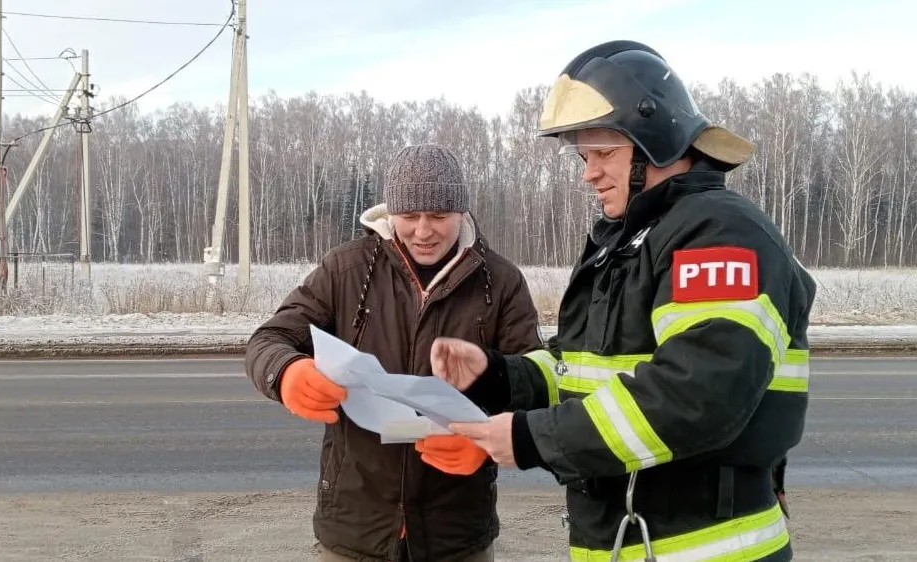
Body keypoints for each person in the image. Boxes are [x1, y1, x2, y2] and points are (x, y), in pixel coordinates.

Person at [424, 40, 817, 562]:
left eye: (604, 153)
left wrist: (530, 438)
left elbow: (695, 394)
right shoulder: (631, 239)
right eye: (584, 156)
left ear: (656, 143)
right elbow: (584, 369)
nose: (589, 172)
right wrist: (498, 375)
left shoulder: (719, 234)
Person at [244, 143, 543, 562]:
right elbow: (269, 339)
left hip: (456, 529)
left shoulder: (501, 282)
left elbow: (533, 378)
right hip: (355, 523)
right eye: (410, 216)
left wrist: (489, 442)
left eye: (438, 215)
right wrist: (285, 371)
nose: (423, 231)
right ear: (391, 212)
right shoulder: (345, 270)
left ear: (461, 212)